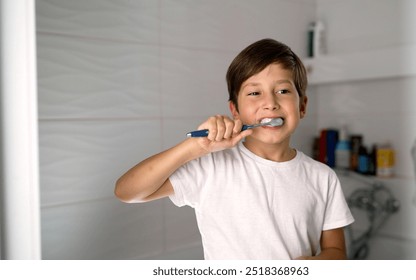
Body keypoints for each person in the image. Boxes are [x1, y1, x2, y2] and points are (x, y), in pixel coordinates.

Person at [115, 38, 354, 260]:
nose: (270, 103)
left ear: (302, 106)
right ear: (235, 111)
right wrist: (194, 147)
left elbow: (336, 251)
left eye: (283, 91)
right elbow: (127, 192)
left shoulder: (323, 177)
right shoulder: (211, 167)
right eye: (254, 93)